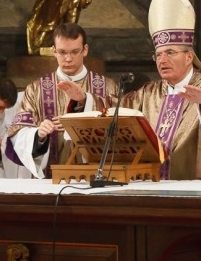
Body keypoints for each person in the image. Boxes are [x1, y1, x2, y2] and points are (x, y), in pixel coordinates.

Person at [108, 0, 201, 180]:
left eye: (170, 52)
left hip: (194, 190)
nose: (162, 60)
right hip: (152, 185)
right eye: (158, 55)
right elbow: (115, 107)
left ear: (189, 57)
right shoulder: (149, 93)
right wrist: (83, 100)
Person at [6, 22, 118, 178]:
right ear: (54, 51)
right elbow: (17, 134)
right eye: (62, 52)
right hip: (50, 178)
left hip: (97, 177)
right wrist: (38, 135)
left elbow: (120, 130)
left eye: (74, 52)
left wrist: (87, 103)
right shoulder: (36, 89)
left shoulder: (108, 87)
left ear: (85, 50)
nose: (68, 58)